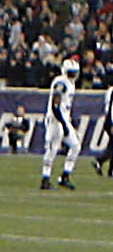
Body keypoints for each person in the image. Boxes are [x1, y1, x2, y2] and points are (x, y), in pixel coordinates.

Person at [43, 58, 82, 190]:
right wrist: (64, 124)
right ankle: (45, 178)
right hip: (55, 120)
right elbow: (55, 106)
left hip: (64, 119)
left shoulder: (70, 84)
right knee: (52, 149)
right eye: (71, 72)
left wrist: (68, 122)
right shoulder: (61, 83)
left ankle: (65, 176)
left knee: (75, 146)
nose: (74, 75)